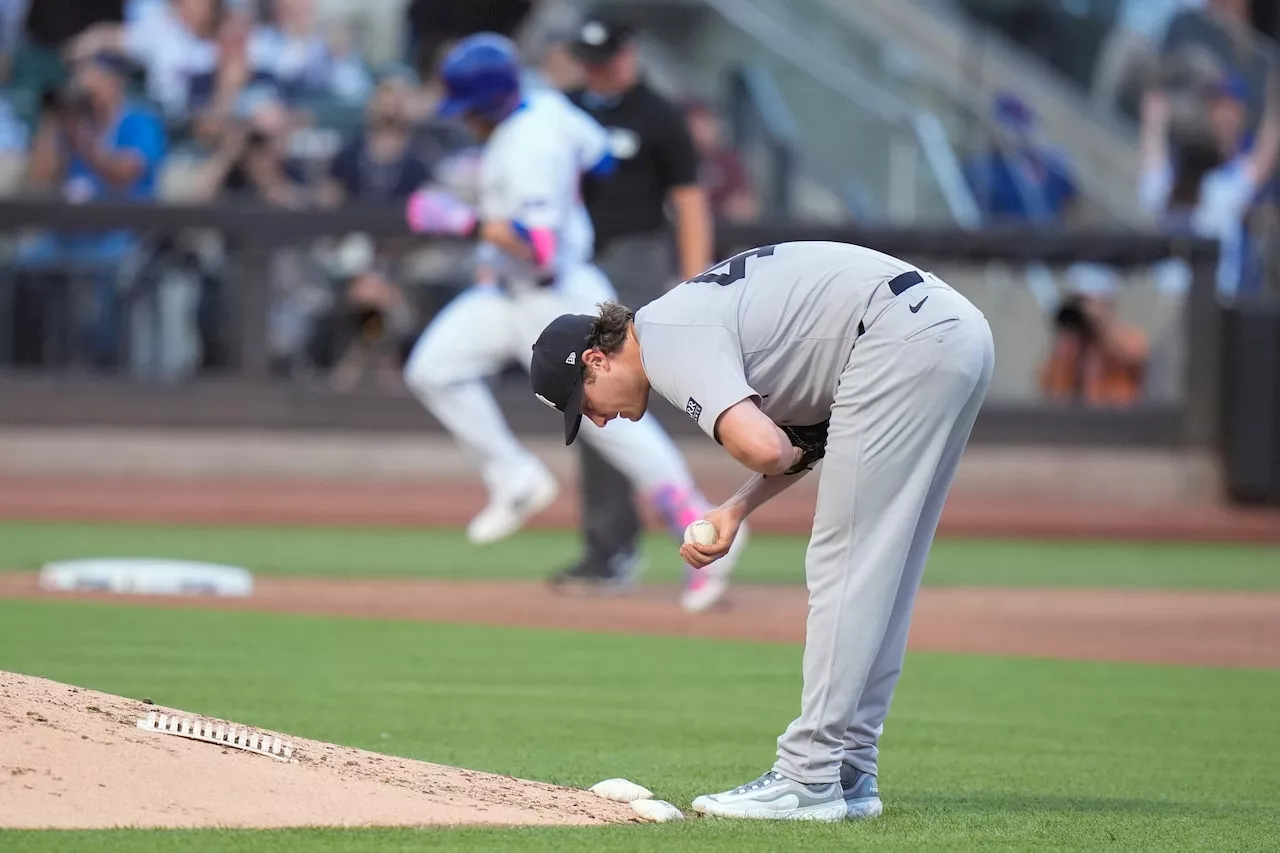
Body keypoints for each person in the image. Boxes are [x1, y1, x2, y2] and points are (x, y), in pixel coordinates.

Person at [530, 241, 994, 820]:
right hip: (951, 332)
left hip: (901, 339)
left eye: (584, 403)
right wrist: (736, 510)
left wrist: (744, 487)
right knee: (884, 572)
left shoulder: (666, 338)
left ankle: (808, 775)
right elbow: (804, 439)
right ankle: (850, 766)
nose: (597, 419)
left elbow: (767, 445)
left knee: (845, 563)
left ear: (596, 361)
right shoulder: (682, 317)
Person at [398, 33, 747, 611]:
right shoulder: (550, 108)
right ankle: (514, 477)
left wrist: (461, 223)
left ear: (486, 105)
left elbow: (537, 247)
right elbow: (601, 158)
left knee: (616, 429)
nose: (465, 123)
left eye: (468, 111)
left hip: (558, 298)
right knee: (433, 368)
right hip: (511, 293)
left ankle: (703, 530)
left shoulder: (529, 141)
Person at [550, 9, 721, 606]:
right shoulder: (564, 107)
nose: (597, 73)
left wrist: (697, 283)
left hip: (634, 262)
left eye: (607, 60)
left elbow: (690, 202)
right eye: (588, 62)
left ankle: (683, 534)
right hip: (573, 264)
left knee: (622, 401)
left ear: (630, 54)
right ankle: (609, 546)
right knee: (587, 401)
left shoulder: (658, 115)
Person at [16, 52, 166, 367]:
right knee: (23, 266)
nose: (85, 89)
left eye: (94, 81)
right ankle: (27, 366)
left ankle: (105, 366)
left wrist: (84, 143)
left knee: (108, 274)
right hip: (66, 235)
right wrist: (52, 122)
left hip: (120, 235)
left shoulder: (139, 121)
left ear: (115, 85)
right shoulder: (72, 124)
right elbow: (39, 179)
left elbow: (126, 172)